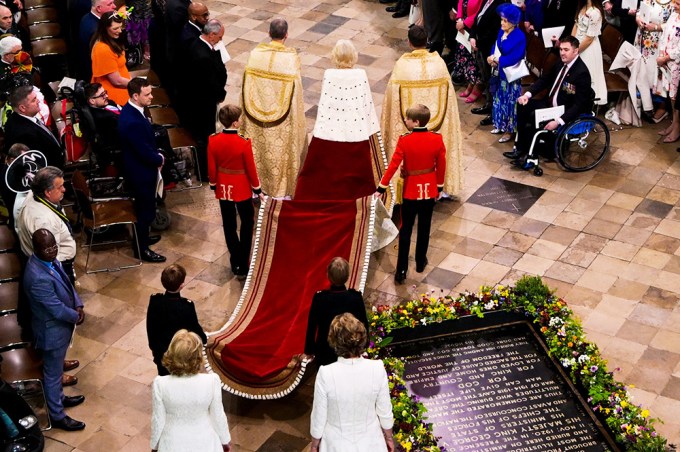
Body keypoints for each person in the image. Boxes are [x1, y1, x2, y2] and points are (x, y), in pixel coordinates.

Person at [294, 39, 388, 201]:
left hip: (329, 134)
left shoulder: (329, 74)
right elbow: (366, 104)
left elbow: (325, 105)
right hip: (357, 134)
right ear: (354, 56)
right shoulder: (360, 74)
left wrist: (320, 129)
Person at [381, 25, 462, 200]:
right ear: (427, 42)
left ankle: (399, 189)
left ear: (409, 43)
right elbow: (450, 98)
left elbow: (392, 97)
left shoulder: (402, 66)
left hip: (409, 124)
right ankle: (442, 186)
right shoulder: (439, 64)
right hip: (436, 125)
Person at [23, 229, 85, 431]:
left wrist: (78, 304)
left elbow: (67, 284)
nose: (52, 251)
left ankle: (59, 399)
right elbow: (56, 308)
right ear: (36, 249)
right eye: (47, 248)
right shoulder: (37, 276)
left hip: (60, 329)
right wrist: (75, 316)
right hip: (51, 332)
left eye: (54, 246)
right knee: (52, 374)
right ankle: (57, 416)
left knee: (56, 369)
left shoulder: (49, 260)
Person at [375, 104, 446, 283]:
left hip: (410, 192)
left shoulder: (405, 140)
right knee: (424, 227)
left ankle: (401, 270)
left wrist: (381, 187)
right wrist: (439, 187)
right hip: (429, 190)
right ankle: (420, 261)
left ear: (415, 122)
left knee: (405, 230)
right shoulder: (437, 139)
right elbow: (441, 165)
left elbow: (393, 165)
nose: (405, 120)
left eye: (407, 118)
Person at [240, 18, 307, 198]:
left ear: (268, 33)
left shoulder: (255, 55)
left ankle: (254, 187)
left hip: (255, 119)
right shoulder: (291, 59)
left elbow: (244, 88)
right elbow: (296, 96)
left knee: (257, 151)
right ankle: (281, 192)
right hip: (282, 123)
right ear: (286, 35)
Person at [309, 313, 394, 452]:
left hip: (336, 444)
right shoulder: (377, 368)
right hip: (371, 443)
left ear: (334, 342)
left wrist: (314, 444)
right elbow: (384, 411)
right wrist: (389, 438)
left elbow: (319, 415)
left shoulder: (326, 373)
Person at [505, 36, 594, 164]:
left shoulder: (581, 73)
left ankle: (531, 153)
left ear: (575, 51)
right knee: (522, 105)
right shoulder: (560, 62)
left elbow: (578, 105)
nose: (562, 52)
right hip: (549, 103)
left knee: (533, 116)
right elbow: (544, 79)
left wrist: (558, 121)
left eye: (566, 50)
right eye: (561, 49)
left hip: (563, 110)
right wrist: (527, 95)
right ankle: (520, 148)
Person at [150, 330, 231, 452]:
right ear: (197, 357)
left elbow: (158, 419)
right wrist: (225, 440)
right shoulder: (211, 381)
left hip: (172, 444)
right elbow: (218, 415)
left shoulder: (160, 384)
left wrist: (154, 446)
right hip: (205, 442)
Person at [207, 104, 262, 279]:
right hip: (241, 188)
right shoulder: (243, 143)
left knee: (229, 225)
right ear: (235, 123)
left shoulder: (213, 140)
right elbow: (251, 168)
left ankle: (235, 260)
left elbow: (211, 165)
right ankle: (243, 263)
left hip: (223, 187)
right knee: (247, 223)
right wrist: (257, 188)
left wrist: (214, 183)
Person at [118, 77, 166, 263]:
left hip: (141, 167)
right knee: (144, 210)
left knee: (147, 207)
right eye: (147, 94)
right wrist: (159, 158)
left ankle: (144, 237)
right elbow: (142, 150)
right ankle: (142, 248)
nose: (152, 97)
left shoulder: (133, 110)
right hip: (140, 172)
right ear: (135, 96)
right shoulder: (132, 121)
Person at [177, 19, 227, 182]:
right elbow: (211, 83)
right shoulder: (203, 55)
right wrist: (220, 93)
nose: (220, 40)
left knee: (204, 136)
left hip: (197, 100)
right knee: (204, 137)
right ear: (211, 35)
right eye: (219, 37)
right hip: (201, 104)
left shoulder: (197, 45)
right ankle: (205, 172)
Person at [303, 257, 370, 366]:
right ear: (347, 276)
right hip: (350, 350)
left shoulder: (320, 298)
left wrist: (309, 350)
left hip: (325, 351)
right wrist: (364, 345)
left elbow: (312, 326)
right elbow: (363, 323)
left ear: (328, 276)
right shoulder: (355, 297)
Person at [17, 166, 77, 284]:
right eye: (60, 187)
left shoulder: (33, 195)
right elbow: (51, 257)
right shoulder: (45, 222)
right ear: (48, 192)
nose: (64, 189)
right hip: (58, 268)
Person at [146, 264, 208, 376]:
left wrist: (155, 349)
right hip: (181, 354)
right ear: (182, 285)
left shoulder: (155, 300)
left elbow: (151, 327)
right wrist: (203, 339)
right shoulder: (186, 306)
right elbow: (194, 327)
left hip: (161, 353)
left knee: (164, 376)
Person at [487, 3, 526, 144]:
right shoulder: (501, 31)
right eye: (501, 20)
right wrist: (491, 57)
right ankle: (499, 124)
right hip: (499, 73)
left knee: (509, 103)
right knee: (498, 100)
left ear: (513, 22)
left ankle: (509, 130)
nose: (502, 23)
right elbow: (495, 46)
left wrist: (498, 60)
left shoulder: (519, 36)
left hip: (510, 77)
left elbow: (515, 57)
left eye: (505, 20)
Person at [4, 85, 64, 168]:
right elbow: (37, 164)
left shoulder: (25, 117)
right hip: (49, 175)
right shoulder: (22, 133)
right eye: (33, 100)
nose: (38, 101)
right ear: (22, 108)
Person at [634, 0, 674, 122]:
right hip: (643, 39)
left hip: (659, 41)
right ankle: (646, 103)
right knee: (643, 71)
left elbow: (675, 23)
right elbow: (640, 11)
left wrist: (656, 27)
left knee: (656, 73)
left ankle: (662, 106)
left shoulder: (674, 2)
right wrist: (638, 19)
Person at [469, 0, 508, 123]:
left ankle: (494, 112)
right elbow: (477, 18)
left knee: (492, 81)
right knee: (486, 78)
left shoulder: (501, 4)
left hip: (490, 48)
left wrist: (478, 43)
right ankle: (489, 105)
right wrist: (472, 35)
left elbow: (494, 30)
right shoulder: (488, 1)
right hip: (481, 46)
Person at [572, 0, 608, 106]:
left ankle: (586, 103)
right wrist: (571, 43)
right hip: (576, 44)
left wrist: (576, 51)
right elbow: (576, 25)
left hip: (587, 48)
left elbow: (589, 39)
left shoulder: (595, 12)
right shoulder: (582, 7)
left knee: (586, 75)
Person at [90, 12, 130, 107]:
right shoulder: (103, 49)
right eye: (115, 28)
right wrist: (136, 85)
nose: (120, 31)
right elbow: (116, 81)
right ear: (105, 29)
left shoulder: (111, 40)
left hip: (123, 84)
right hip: (114, 94)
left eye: (120, 27)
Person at [83, 82, 122, 171]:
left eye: (105, 93)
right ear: (92, 101)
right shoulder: (102, 118)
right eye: (102, 95)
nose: (106, 96)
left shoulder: (109, 103)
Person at [656, 0, 680, 143]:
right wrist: (661, 53)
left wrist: (666, 57)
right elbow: (665, 35)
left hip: (676, 62)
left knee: (677, 97)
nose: (674, 6)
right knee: (671, 95)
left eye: (677, 3)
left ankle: (677, 127)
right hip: (667, 62)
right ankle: (673, 123)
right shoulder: (673, 15)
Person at [451, 0, 484, 104]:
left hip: (473, 28)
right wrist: (459, 19)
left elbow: (480, 12)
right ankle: (470, 83)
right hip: (462, 30)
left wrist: (464, 23)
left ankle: (478, 86)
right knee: (465, 59)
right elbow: (461, 2)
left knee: (474, 60)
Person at [78, 0, 117, 81]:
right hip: (99, 76)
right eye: (110, 4)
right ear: (99, 8)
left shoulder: (86, 17)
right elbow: (103, 60)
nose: (114, 6)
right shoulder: (96, 30)